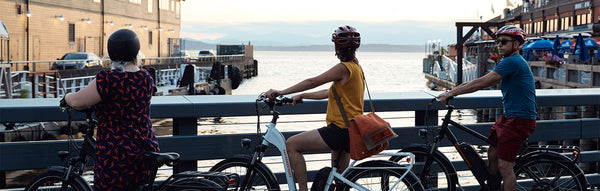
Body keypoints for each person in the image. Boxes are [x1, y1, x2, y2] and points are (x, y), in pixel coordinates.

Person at [265, 25, 364, 191]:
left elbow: (313, 81)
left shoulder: (343, 68)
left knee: (292, 145)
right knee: (339, 183)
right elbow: (330, 92)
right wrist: (303, 96)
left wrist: (281, 91)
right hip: (350, 130)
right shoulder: (356, 67)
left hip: (339, 130)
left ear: (337, 47)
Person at [438, 25, 537, 191]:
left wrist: (450, 94)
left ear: (516, 44)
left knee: (505, 166)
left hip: (519, 120)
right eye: (498, 42)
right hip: (510, 117)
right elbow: (472, 82)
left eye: (504, 42)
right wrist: (450, 92)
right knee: (492, 151)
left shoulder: (513, 61)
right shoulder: (509, 60)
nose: (499, 45)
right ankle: (491, 187)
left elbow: (482, 83)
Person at [60, 29, 159, 190]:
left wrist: (67, 98)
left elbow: (79, 101)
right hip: (144, 146)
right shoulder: (146, 77)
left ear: (112, 52)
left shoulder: (108, 79)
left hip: (116, 152)